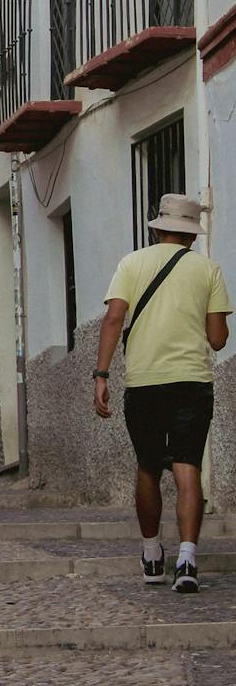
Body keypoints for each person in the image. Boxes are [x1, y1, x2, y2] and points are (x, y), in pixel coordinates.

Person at [94, 193, 230, 593]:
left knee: (149, 466)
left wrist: (101, 374)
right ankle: (187, 560)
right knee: (188, 466)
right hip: (191, 381)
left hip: (144, 382)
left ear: (157, 227)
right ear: (192, 234)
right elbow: (218, 340)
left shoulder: (131, 263)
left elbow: (114, 317)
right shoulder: (209, 269)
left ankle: (153, 554)